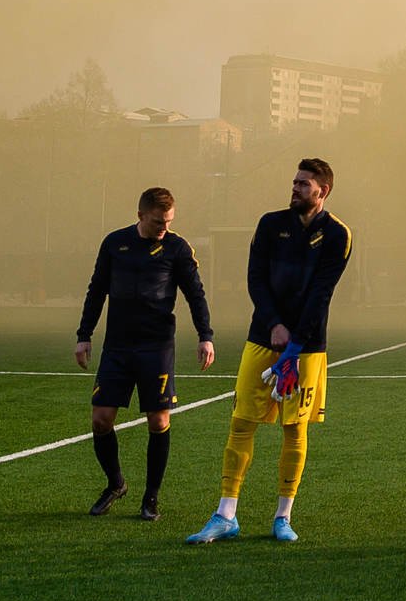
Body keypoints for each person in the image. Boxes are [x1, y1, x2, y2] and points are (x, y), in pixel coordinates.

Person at [184, 159, 351, 544]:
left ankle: (283, 517)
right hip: (262, 339)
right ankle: (226, 514)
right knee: (242, 420)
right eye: (293, 181)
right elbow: (255, 279)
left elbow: (321, 294)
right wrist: (274, 324)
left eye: (303, 184)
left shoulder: (338, 234)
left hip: (307, 348)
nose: (294, 188)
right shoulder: (270, 224)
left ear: (322, 190)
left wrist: (293, 346)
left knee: (295, 428)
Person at [74, 187, 215, 520]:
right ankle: (115, 483)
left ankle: (151, 497)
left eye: (168, 221)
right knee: (101, 418)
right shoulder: (114, 243)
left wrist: (205, 336)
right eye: (157, 222)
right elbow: (97, 290)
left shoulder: (177, 248)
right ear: (140, 216)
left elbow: (195, 294)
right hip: (118, 347)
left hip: (156, 347)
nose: (163, 228)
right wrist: (84, 335)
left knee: (158, 420)